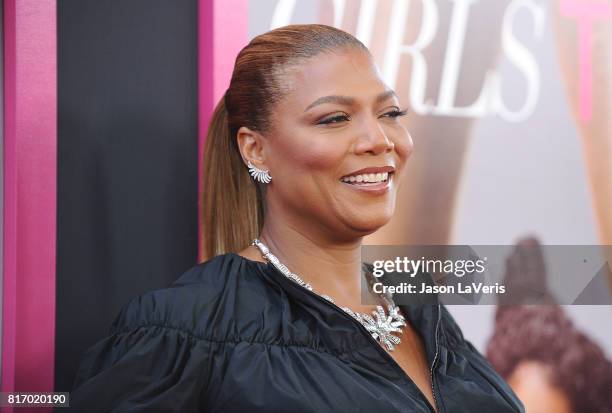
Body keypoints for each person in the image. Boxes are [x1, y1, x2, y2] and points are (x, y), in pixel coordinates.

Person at [67, 24, 523, 412]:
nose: (378, 139)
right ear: (255, 149)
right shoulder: (182, 331)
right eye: (334, 119)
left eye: (390, 113)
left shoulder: (423, 311)